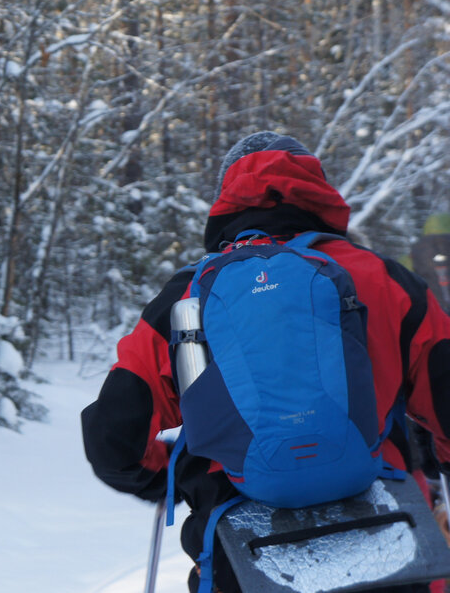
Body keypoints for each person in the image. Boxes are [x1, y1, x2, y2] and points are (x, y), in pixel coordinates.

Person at [80, 131, 450, 593]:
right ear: (318, 191)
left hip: (245, 560)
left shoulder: (188, 297)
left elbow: (111, 437)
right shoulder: (385, 280)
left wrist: (170, 479)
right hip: (390, 545)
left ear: (226, 200)